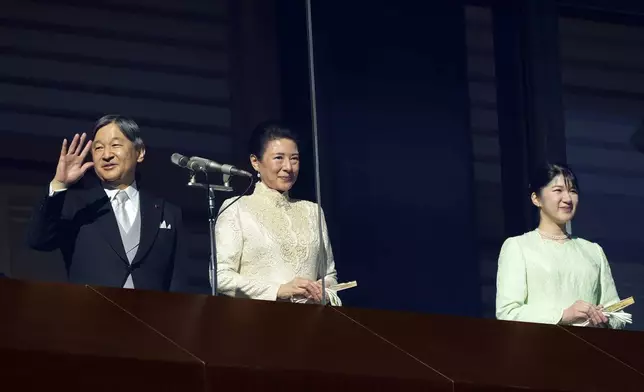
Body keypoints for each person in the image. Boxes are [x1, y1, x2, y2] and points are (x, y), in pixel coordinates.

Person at [26, 114, 209, 293]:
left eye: (115, 145)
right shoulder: (76, 205)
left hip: (151, 319)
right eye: (98, 148)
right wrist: (59, 184)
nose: (106, 155)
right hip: (90, 318)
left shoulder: (167, 212)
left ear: (140, 152)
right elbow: (38, 240)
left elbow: (178, 281)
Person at [214, 121, 340, 304]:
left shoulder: (313, 211)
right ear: (255, 162)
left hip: (311, 324)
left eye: (294, 159)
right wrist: (278, 290)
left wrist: (323, 291)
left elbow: (330, 275)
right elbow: (220, 276)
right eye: (279, 158)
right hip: (256, 322)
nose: (288, 167)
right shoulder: (236, 209)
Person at [495, 163, 625, 328]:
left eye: (573, 191)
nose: (568, 199)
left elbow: (618, 315)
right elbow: (507, 313)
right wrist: (563, 315)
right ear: (536, 198)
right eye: (558, 190)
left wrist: (604, 318)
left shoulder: (593, 251)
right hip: (541, 349)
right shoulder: (518, 246)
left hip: (589, 350)